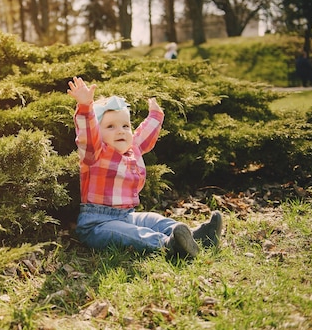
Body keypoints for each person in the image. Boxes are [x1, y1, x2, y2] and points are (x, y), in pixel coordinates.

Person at [67, 76, 222, 258]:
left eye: (125, 125)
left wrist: (156, 115)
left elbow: (144, 135)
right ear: (98, 134)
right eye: (110, 126)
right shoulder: (95, 154)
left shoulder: (132, 150)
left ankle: (198, 237)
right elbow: (87, 133)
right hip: (97, 224)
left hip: (128, 216)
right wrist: (85, 106)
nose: (121, 130)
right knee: (131, 234)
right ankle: (169, 245)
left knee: (153, 219)